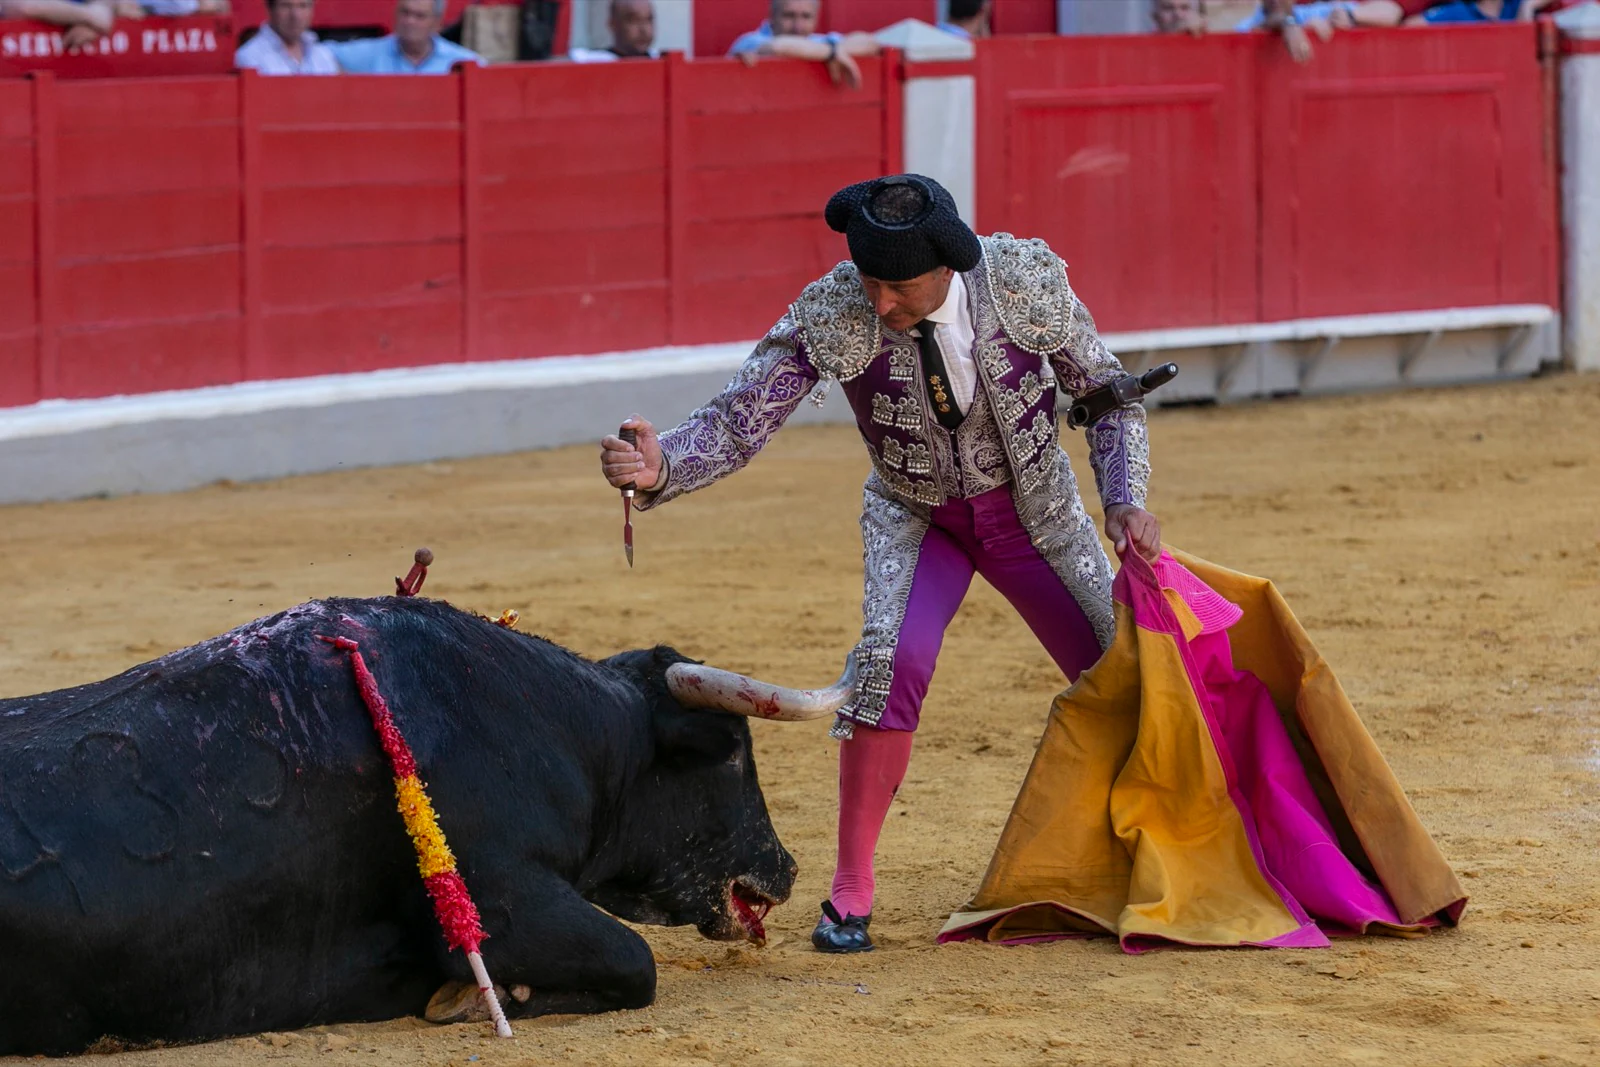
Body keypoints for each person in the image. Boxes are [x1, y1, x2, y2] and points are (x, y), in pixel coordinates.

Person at [598, 174, 1160, 955]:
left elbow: (1107, 393)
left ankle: (1169, 846)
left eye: (899, 287)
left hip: (1038, 514)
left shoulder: (1021, 282)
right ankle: (851, 888)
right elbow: (740, 420)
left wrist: (1126, 497)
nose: (881, 303)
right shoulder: (834, 308)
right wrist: (663, 469)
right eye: (870, 282)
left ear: (949, 270)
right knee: (887, 662)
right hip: (915, 515)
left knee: (1129, 669)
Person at [729, 0, 879, 89]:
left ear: (816, 19)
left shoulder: (819, 42)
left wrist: (836, 49)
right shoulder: (749, 41)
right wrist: (832, 53)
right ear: (772, 16)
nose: (798, 26)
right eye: (789, 16)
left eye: (806, 17)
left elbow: (870, 43)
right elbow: (777, 47)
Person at [329, 0, 483, 74]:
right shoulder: (372, 53)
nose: (409, 21)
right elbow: (321, 54)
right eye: (405, 13)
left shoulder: (462, 60)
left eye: (419, 16)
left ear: (437, 23)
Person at [235, 0, 338, 75]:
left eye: (303, 6)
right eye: (286, 6)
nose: (295, 15)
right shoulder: (250, 57)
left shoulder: (323, 55)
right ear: (270, 9)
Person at [568, 0, 658, 62]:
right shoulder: (591, 62)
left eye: (648, 19)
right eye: (633, 20)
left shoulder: (661, 59)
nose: (643, 29)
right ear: (613, 24)